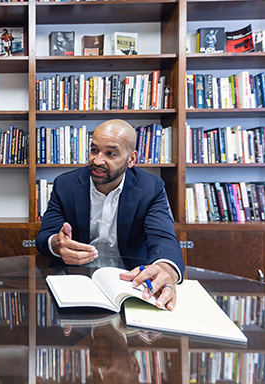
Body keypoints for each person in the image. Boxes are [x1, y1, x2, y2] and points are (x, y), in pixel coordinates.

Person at [36, 119, 184, 311]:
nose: (97, 161)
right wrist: (57, 244)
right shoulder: (65, 185)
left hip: (129, 284)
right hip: (75, 283)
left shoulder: (150, 188)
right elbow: (44, 237)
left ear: (131, 159)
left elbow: (163, 238)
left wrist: (166, 269)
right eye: (94, 150)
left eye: (110, 154)